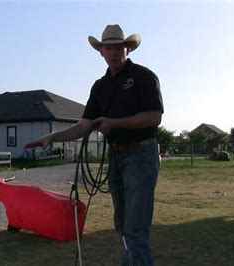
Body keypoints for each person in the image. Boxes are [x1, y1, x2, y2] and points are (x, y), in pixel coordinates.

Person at [24, 24, 163, 266]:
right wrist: (51, 138)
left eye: (118, 47)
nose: (114, 52)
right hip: (116, 157)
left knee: (135, 229)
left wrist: (114, 123)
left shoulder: (144, 77)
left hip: (141, 153)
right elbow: (83, 126)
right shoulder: (100, 87)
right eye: (109, 48)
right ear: (101, 52)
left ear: (127, 49)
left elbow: (154, 117)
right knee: (122, 224)